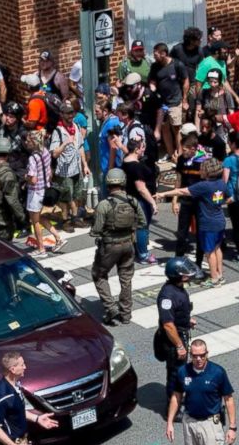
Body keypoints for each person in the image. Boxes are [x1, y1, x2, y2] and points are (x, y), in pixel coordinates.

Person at [157, 159, 228, 287]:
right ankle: (220, 275)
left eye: (202, 169)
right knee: (217, 248)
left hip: (208, 223)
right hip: (220, 221)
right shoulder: (221, 184)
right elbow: (230, 198)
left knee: (209, 252)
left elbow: (182, 191)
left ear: (207, 171)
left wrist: (162, 193)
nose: (200, 171)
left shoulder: (204, 186)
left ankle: (214, 279)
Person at [90, 169, 146, 325]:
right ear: (123, 183)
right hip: (128, 245)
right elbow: (142, 222)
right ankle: (126, 314)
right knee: (126, 279)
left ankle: (110, 307)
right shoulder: (132, 201)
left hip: (109, 246)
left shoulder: (104, 205)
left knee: (99, 275)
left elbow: (96, 230)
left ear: (108, 184)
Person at [155, 257, 196, 396]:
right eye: (185, 273)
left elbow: (177, 312)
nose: (189, 275)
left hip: (180, 333)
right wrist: (179, 346)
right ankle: (173, 408)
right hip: (173, 340)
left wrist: (187, 320)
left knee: (180, 371)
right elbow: (168, 325)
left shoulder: (178, 289)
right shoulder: (167, 296)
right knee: (175, 374)